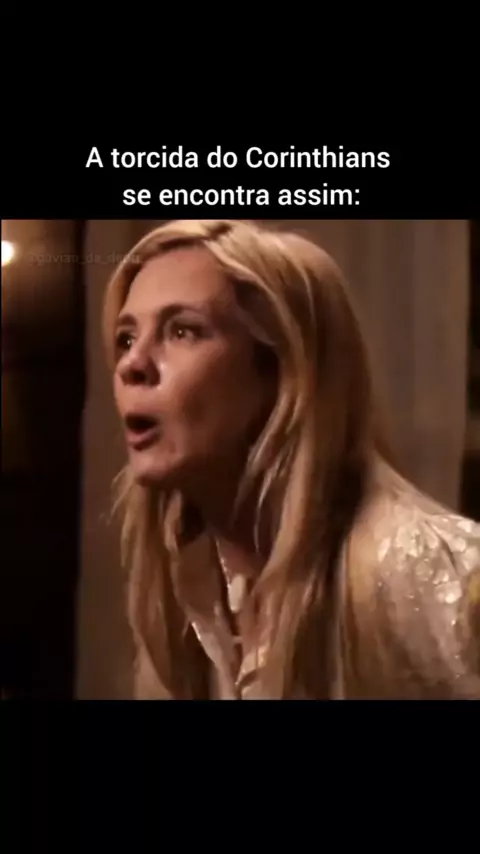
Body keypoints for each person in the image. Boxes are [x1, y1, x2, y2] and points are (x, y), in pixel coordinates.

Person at [103, 218, 480, 700]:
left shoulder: (430, 572)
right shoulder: (188, 585)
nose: (132, 364)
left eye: (182, 331)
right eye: (126, 338)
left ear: (282, 371)